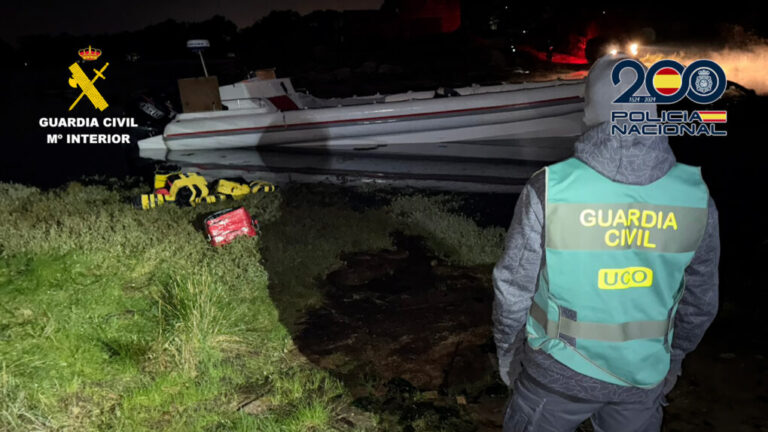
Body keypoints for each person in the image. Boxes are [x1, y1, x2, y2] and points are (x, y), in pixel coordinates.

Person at [492, 53, 720, 432]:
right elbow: (700, 301)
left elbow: (512, 288)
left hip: (554, 376)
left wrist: (508, 353)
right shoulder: (695, 198)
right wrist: (673, 358)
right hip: (642, 377)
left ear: (589, 111)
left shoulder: (550, 189)